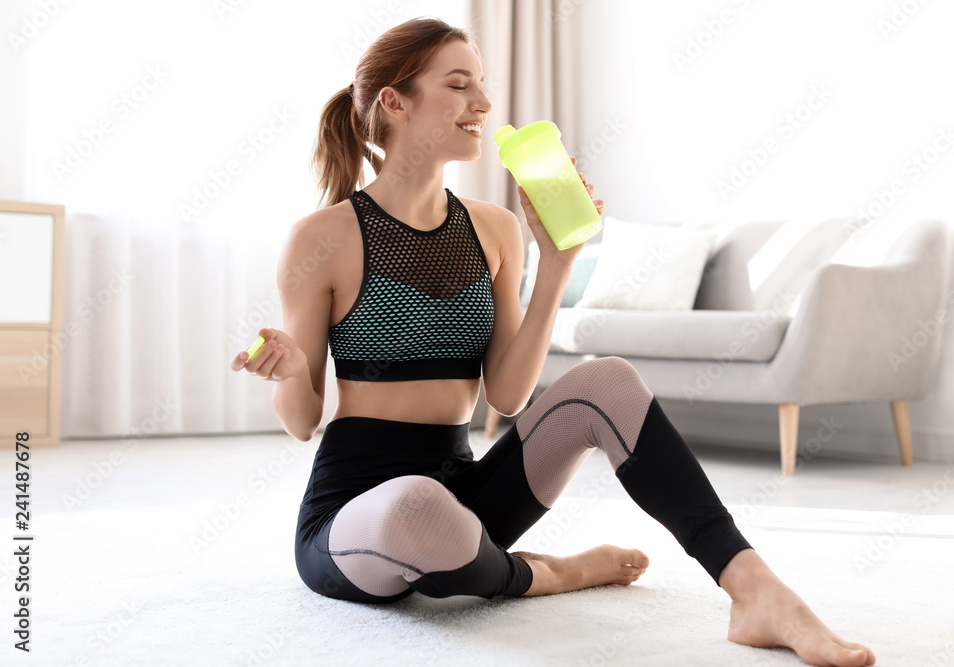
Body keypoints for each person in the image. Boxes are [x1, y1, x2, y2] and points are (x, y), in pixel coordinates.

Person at [230, 16, 876, 667]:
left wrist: (558, 263)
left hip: (467, 495)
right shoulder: (322, 237)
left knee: (609, 380)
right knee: (415, 506)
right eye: (458, 86)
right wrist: (292, 369)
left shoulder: (495, 229)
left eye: (481, 85)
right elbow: (302, 421)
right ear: (394, 103)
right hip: (357, 514)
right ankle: (548, 573)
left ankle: (755, 589)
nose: (483, 104)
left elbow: (508, 394)